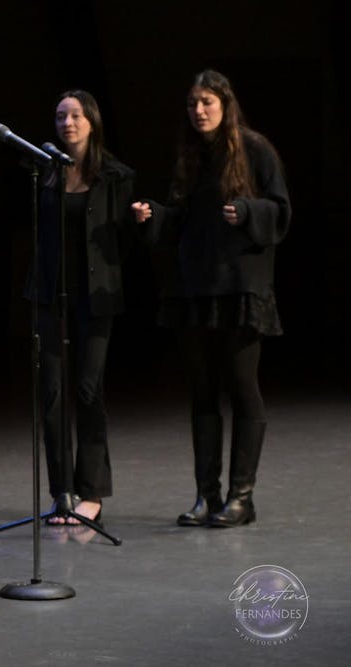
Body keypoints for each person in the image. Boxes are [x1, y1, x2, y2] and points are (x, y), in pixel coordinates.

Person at [132, 69, 290, 528]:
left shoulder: (255, 149)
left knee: (242, 389)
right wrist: (154, 217)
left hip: (240, 288)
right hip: (195, 289)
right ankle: (207, 496)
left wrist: (246, 211)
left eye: (207, 103)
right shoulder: (190, 156)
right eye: (192, 104)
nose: (198, 111)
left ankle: (242, 497)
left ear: (225, 104)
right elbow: (182, 220)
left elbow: (280, 210)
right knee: (202, 393)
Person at [24, 90, 136, 526]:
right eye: (59, 116)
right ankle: (61, 492)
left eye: (74, 115)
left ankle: (91, 491)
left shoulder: (116, 175)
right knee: (51, 393)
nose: (67, 123)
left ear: (92, 121)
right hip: (51, 294)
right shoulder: (45, 171)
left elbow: (123, 238)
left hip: (96, 296)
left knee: (88, 390)